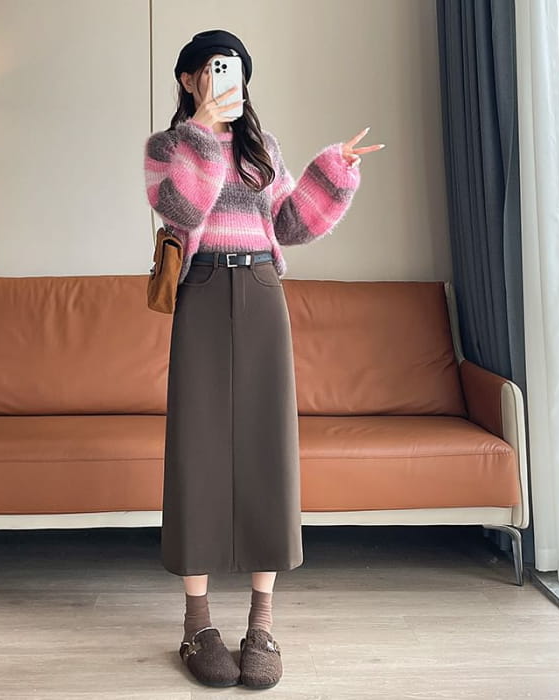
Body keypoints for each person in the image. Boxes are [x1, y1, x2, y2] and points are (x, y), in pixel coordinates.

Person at [143, 29, 384, 690]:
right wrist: (201, 131)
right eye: (215, 68)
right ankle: (197, 623)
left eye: (236, 69)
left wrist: (334, 170)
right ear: (190, 78)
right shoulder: (166, 148)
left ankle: (262, 622)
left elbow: (289, 226)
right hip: (199, 291)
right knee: (195, 451)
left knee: (267, 449)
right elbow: (181, 209)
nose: (228, 78)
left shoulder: (263, 148)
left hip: (260, 290)